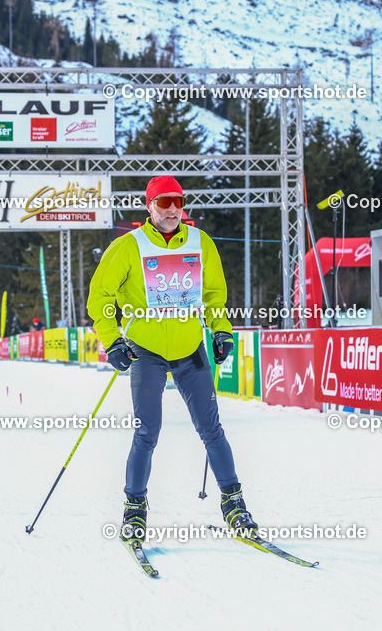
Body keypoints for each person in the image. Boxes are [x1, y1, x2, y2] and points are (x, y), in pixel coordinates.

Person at [87, 175, 257, 543]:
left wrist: (221, 330)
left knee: (211, 430)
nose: (172, 210)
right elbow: (100, 297)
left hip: (189, 349)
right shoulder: (127, 246)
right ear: (148, 206)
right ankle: (134, 509)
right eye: (164, 203)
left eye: (178, 202)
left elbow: (214, 295)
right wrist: (112, 341)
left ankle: (234, 504)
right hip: (146, 351)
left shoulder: (200, 242)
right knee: (147, 432)